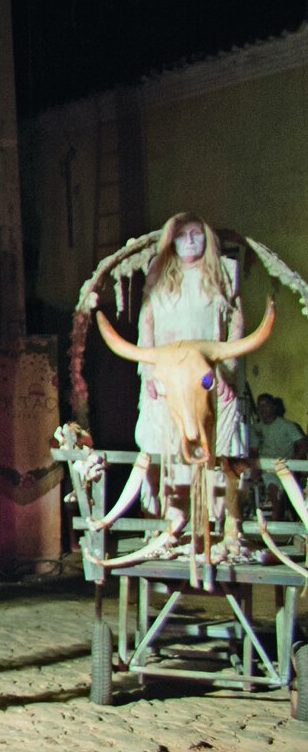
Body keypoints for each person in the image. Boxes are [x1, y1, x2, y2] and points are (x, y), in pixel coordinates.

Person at [133, 213, 250, 529]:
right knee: (163, 437)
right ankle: (173, 513)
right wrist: (148, 372)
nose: (190, 241)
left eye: (196, 234)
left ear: (207, 238)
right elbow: (147, 323)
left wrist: (225, 371)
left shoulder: (224, 272)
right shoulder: (158, 274)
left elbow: (236, 324)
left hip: (211, 376)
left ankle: (225, 519)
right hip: (167, 376)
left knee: (222, 437)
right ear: (171, 241)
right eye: (182, 236)